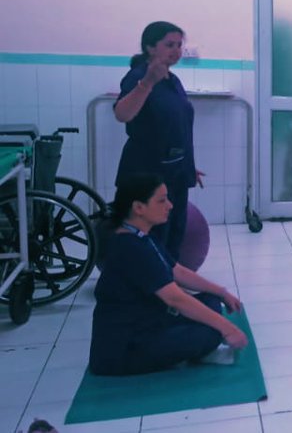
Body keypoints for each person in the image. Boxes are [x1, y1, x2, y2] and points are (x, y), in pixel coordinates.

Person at [90, 173, 247, 376]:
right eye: (162, 200)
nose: (170, 205)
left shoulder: (140, 235)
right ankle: (200, 351)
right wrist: (228, 328)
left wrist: (222, 292)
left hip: (148, 324)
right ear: (138, 208)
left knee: (211, 301)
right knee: (211, 332)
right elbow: (175, 299)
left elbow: (177, 271)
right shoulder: (130, 247)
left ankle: (197, 349)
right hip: (123, 350)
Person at [113, 21, 203, 261]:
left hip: (175, 173)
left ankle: (167, 288)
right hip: (146, 174)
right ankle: (148, 290)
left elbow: (178, 128)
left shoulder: (173, 81)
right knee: (151, 239)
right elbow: (122, 114)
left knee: (174, 235)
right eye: (169, 45)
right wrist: (148, 83)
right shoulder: (138, 76)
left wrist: (188, 166)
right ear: (150, 48)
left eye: (179, 45)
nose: (176, 50)